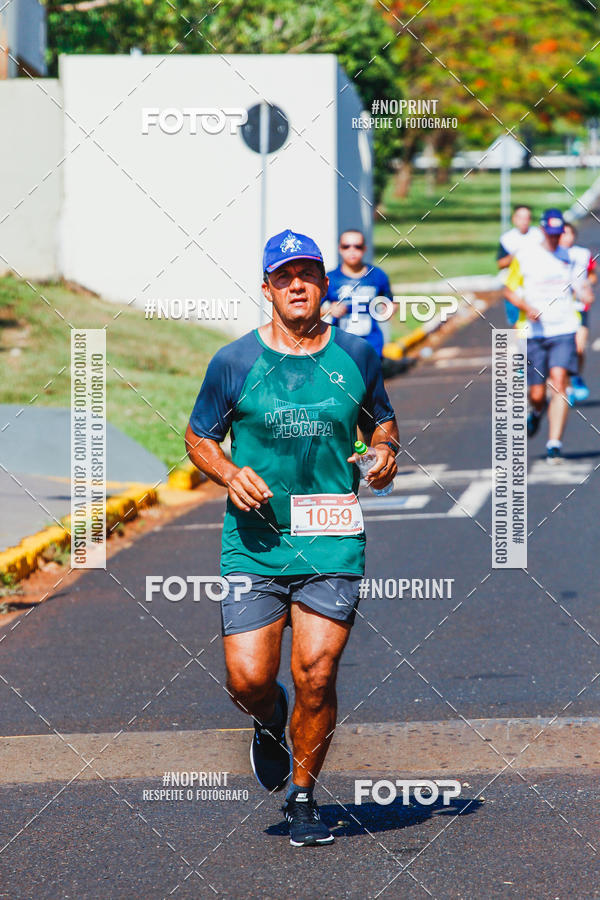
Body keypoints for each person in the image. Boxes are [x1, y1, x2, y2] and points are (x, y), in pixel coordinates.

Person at [185, 228, 398, 847]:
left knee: (316, 672)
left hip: (332, 538)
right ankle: (269, 719)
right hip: (255, 541)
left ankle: (303, 796)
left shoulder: (356, 356)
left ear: (324, 284)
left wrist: (384, 453)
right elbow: (199, 437)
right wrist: (229, 473)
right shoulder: (234, 362)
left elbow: (382, 422)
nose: (297, 285)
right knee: (248, 680)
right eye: (285, 277)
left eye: (307, 274)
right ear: (267, 288)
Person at [504, 209, 579, 465]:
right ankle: (536, 411)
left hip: (564, 328)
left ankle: (554, 444)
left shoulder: (569, 257)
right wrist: (527, 308)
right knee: (537, 393)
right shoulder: (525, 256)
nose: (555, 239)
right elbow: (509, 290)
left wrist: (586, 293)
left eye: (559, 234)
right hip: (534, 332)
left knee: (559, 382)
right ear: (543, 231)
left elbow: (580, 287)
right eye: (551, 234)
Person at [322, 229, 394, 358]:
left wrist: (389, 309)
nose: (352, 250)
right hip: (340, 345)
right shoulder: (330, 278)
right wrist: (329, 310)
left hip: (372, 343)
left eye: (357, 246)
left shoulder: (377, 275)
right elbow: (312, 312)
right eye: (346, 246)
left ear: (364, 248)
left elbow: (391, 301)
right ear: (340, 249)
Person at [558, 222, 597, 404]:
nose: (567, 237)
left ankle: (575, 377)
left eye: (570, 233)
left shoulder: (582, 254)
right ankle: (566, 387)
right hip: (560, 308)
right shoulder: (550, 255)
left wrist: (588, 285)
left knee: (579, 348)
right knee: (563, 352)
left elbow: (592, 274)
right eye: (563, 234)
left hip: (580, 307)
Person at [497, 205, 543, 326]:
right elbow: (500, 264)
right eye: (520, 217)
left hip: (534, 284)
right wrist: (517, 255)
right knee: (515, 322)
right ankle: (515, 339)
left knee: (535, 318)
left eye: (527, 218)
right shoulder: (507, 239)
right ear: (514, 219)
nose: (524, 221)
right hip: (514, 287)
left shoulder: (538, 235)